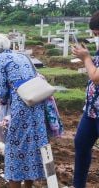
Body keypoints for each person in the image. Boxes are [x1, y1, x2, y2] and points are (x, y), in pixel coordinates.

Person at [0, 33, 60, 188]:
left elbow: (2, 92)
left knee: (15, 150)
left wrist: (2, 103)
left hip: (20, 107)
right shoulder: (21, 55)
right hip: (36, 103)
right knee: (32, 146)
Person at [72, 10, 99, 188]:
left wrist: (86, 57)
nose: (95, 36)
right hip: (92, 109)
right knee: (81, 143)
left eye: (96, 33)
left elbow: (96, 77)